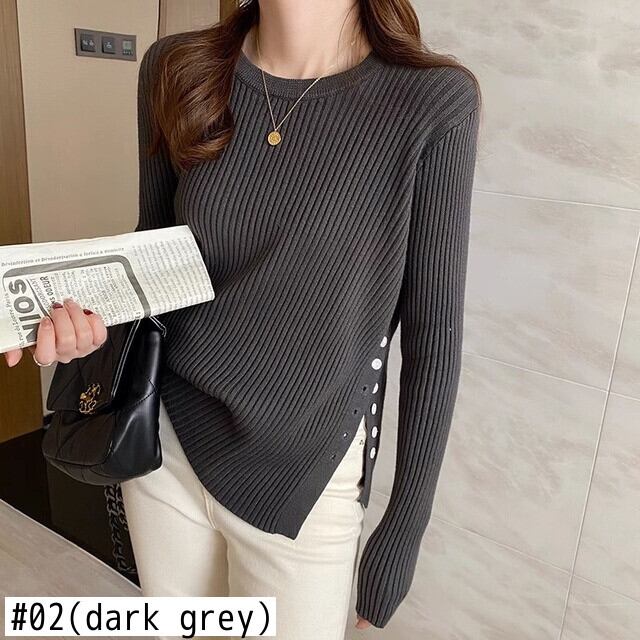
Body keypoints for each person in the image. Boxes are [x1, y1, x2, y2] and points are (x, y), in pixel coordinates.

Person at [6, 1, 481, 637]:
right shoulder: (177, 68)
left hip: (304, 478)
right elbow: (151, 266)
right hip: (167, 449)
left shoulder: (431, 101)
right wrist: (80, 329)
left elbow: (434, 344)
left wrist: (402, 532)